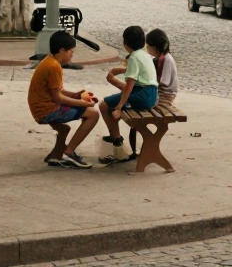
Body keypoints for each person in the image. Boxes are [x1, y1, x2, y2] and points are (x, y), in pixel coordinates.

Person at [28, 30, 100, 169]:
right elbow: (58, 98)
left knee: (64, 129)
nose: (72, 54)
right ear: (61, 50)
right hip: (47, 110)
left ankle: (56, 155)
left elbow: (56, 90)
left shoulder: (48, 61)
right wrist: (83, 103)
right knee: (93, 114)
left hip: (39, 108)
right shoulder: (54, 66)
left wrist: (75, 95)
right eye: (70, 51)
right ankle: (69, 152)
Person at [98, 25, 158, 164]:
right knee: (113, 102)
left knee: (104, 105)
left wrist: (119, 106)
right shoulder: (143, 55)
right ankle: (115, 134)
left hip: (142, 95)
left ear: (125, 43)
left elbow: (130, 84)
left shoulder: (133, 58)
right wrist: (117, 73)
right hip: (150, 94)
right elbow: (133, 78)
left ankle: (117, 144)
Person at [125, 29, 179, 161]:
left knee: (135, 109)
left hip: (164, 96)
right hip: (159, 93)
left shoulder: (166, 59)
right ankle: (135, 150)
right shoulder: (160, 58)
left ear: (153, 47)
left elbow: (163, 83)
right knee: (133, 109)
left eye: (147, 46)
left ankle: (145, 150)